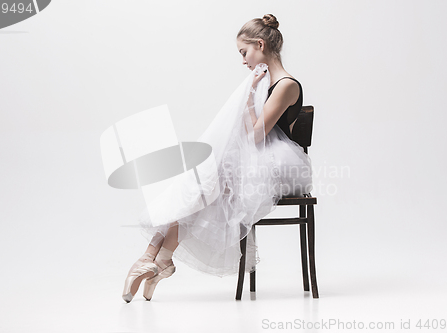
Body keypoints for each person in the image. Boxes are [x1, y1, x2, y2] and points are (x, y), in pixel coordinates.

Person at [122, 13, 313, 303]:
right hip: (261, 159)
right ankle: (158, 258)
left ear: (260, 44)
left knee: (210, 185)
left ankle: (155, 258)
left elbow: (257, 134)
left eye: (244, 52)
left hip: (280, 167)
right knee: (206, 185)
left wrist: (249, 96)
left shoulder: (286, 84)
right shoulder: (264, 81)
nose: (244, 60)